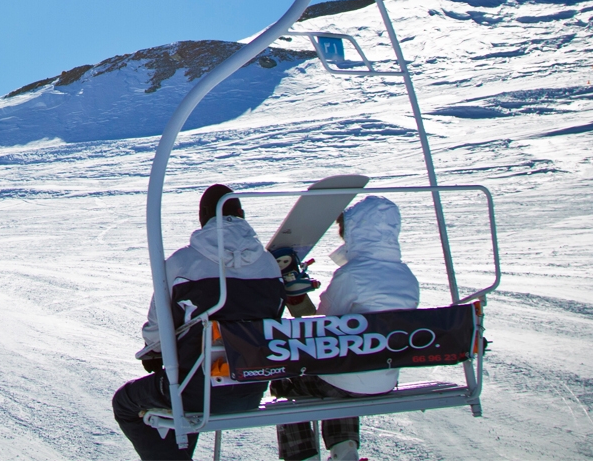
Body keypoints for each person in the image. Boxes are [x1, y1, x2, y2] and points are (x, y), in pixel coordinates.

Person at [114, 184, 289, 460]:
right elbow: (275, 319)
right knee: (185, 386)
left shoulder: (184, 262)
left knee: (128, 402)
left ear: (203, 216)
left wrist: (154, 350)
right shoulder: (268, 264)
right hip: (250, 388)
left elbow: (158, 320)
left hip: (197, 390)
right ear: (242, 214)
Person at [273, 195, 419, 461]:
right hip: (384, 377)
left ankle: (302, 455)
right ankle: (345, 451)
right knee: (349, 367)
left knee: (289, 376)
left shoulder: (352, 275)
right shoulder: (407, 277)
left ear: (357, 233)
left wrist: (296, 299)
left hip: (349, 377)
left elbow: (321, 324)